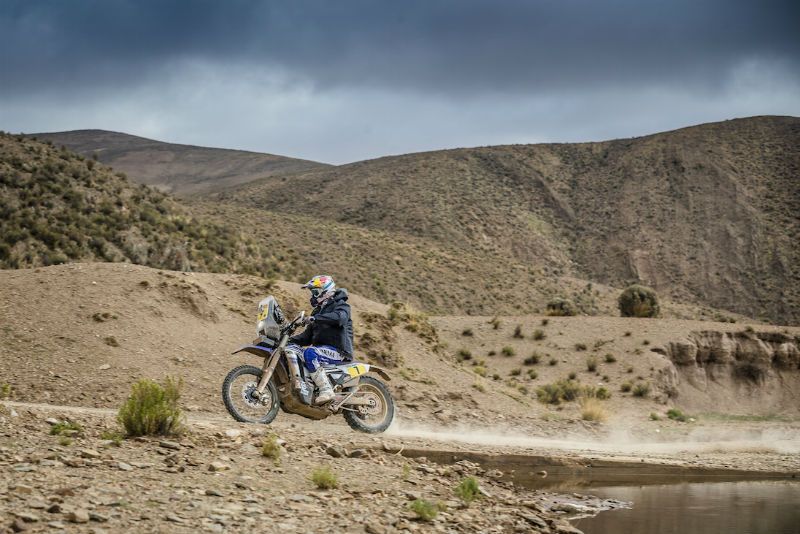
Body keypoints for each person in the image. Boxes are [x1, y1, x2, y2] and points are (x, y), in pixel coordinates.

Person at [289, 275, 354, 404]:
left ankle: (326, 390)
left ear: (325, 290)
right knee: (296, 351)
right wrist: (288, 340)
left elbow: (339, 318)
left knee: (309, 353)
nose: (313, 295)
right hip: (322, 351)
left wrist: (315, 319)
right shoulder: (317, 312)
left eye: (315, 292)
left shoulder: (341, 305)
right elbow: (306, 337)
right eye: (312, 292)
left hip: (338, 351)